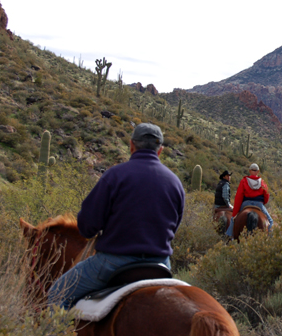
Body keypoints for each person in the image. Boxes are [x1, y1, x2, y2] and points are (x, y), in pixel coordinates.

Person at [47, 123, 185, 310]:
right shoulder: (175, 183)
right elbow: (173, 227)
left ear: (131, 145)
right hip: (160, 264)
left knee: (56, 295)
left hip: (113, 263)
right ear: (160, 150)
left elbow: (87, 227)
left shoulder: (114, 176)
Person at [225, 163, 272, 236]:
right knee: (270, 221)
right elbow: (267, 195)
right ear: (258, 171)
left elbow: (239, 196)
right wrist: (263, 203)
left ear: (250, 171)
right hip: (259, 204)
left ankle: (229, 237)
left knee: (233, 219)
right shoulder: (262, 182)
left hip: (245, 203)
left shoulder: (244, 181)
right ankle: (270, 239)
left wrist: (235, 212)